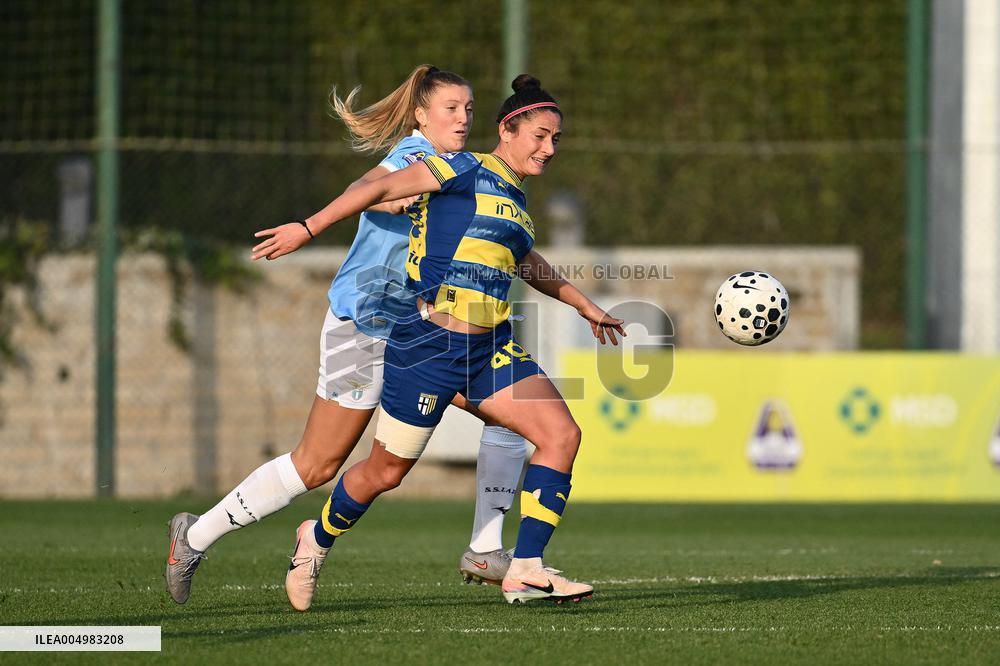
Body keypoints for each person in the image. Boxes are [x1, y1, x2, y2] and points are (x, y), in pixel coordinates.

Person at [252, 75, 626, 607]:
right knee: (385, 473)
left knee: (561, 436)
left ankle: (525, 568)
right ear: (508, 130)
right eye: (540, 136)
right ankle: (315, 538)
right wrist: (308, 228)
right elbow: (377, 190)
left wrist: (584, 304)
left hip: (488, 350)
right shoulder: (462, 167)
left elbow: (524, 262)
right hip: (427, 346)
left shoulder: (517, 202)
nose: (549, 148)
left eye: (556, 140)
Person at [164, 65, 528, 605]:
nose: (463, 117)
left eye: (470, 108)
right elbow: (370, 189)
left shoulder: (466, 169)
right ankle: (193, 537)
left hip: (424, 334)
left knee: (515, 415)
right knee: (317, 466)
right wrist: (330, 220)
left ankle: (484, 546)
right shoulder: (412, 158)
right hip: (364, 326)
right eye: (451, 107)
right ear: (422, 115)